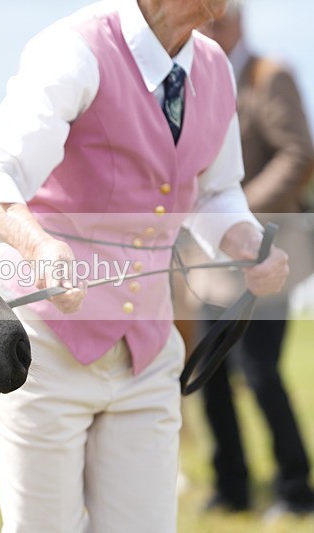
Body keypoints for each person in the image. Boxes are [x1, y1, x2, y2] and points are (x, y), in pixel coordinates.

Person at [0, 0, 290, 531]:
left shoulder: (213, 65)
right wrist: (41, 248)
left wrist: (251, 243)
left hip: (150, 349)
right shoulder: (74, 49)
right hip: (43, 348)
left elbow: (214, 193)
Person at [198, 1, 314, 518]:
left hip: (268, 250)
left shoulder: (271, 75)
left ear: (234, 17)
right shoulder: (198, 81)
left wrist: (237, 214)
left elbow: (298, 153)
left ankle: (295, 489)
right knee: (210, 370)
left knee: (260, 369)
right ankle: (232, 488)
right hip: (209, 259)